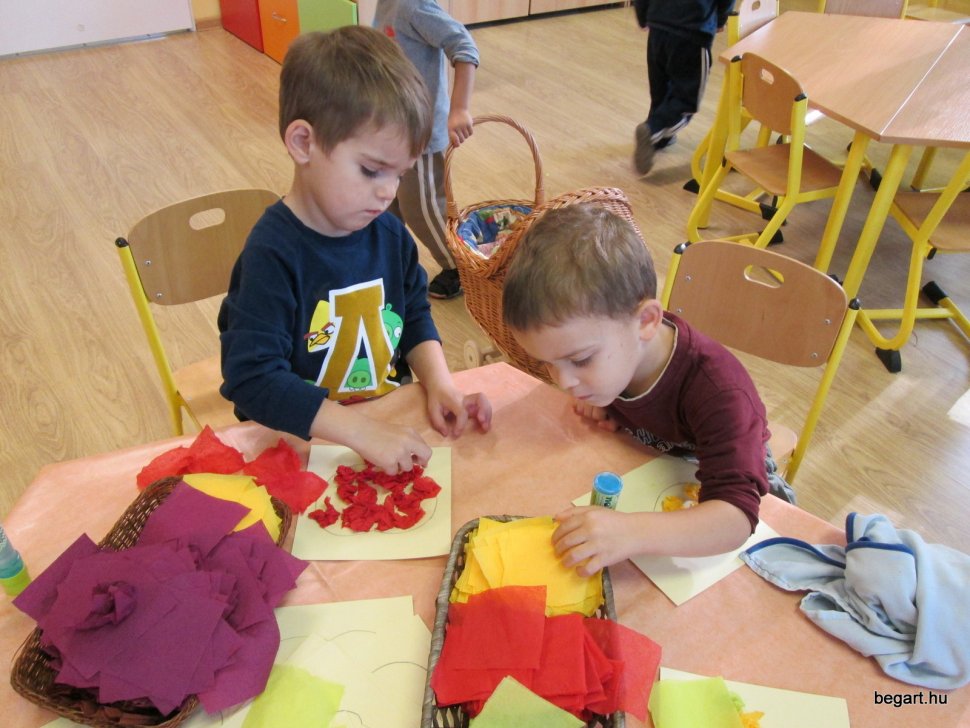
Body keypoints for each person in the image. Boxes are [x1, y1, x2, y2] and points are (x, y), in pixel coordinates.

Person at [219, 27, 491, 475]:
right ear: (303, 143)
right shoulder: (271, 254)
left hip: (381, 419)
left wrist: (440, 382)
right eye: (370, 170)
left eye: (400, 174)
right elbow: (253, 380)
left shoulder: (391, 235)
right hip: (294, 440)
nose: (388, 192)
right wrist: (361, 432)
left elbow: (412, 316)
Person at [501, 204, 791, 576]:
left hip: (726, 499)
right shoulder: (613, 356)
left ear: (646, 322)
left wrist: (630, 532)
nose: (563, 383)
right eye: (548, 364)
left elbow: (735, 519)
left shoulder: (719, 391)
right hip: (654, 468)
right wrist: (605, 401)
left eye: (580, 360)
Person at [375, 0, 479, 300]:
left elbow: (464, 46)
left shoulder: (412, 5)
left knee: (422, 208)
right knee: (386, 204)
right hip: (392, 129)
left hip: (420, 134)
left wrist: (459, 108)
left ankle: (458, 266)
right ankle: (389, 260)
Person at [632, 0, 734, 175]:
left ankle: (659, 140)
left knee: (660, 88)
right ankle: (653, 129)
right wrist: (720, 19)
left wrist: (643, 16)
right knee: (687, 98)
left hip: (658, 27)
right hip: (693, 31)